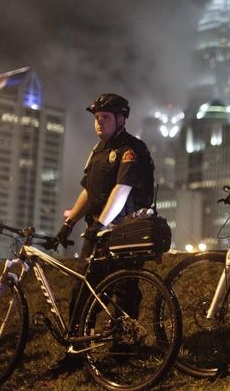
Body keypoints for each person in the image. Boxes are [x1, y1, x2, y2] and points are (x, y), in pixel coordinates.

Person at [51, 93, 155, 370]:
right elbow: (89, 191)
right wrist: (69, 222)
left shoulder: (132, 150)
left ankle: (122, 351)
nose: (99, 123)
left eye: (105, 118)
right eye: (97, 118)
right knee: (83, 289)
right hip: (98, 232)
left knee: (124, 289)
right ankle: (76, 350)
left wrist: (101, 224)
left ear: (121, 119)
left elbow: (121, 191)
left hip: (125, 232)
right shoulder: (97, 151)